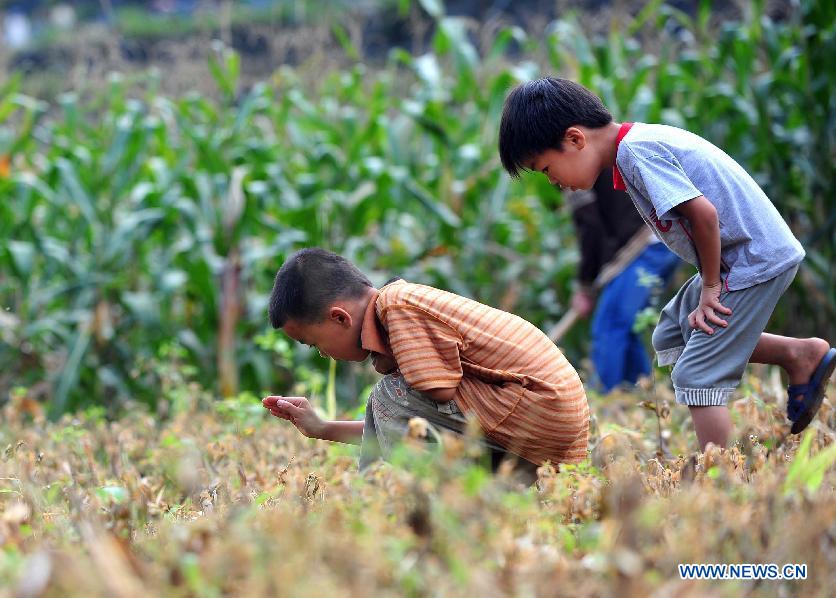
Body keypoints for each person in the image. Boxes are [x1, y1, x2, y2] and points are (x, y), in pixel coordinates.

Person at [498, 77, 835, 450]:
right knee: (672, 332)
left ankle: (717, 476)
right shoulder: (630, 150)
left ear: (575, 139)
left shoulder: (636, 152)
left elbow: (704, 215)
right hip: (739, 257)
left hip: (753, 259)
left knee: (697, 374)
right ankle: (798, 353)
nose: (554, 182)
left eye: (546, 169)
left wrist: (710, 287)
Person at [261, 248, 590, 472]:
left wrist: (391, 370)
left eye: (313, 343)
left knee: (389, 395)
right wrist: (323, 428)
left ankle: (415, 503)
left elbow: (429, 399)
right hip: (543, 421)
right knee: (390, 401)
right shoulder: (400, 308)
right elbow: (415, 424)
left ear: (340, 318)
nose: (322, 353)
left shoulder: (397, 307)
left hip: (544, 413)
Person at [566, 168, 680, 392]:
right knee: (626, 328)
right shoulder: (585, 152)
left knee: (610, 325)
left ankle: (601, 404)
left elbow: (590, 228)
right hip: (659, 244)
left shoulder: (569, 168)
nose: (552, 178)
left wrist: (585, 286)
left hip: (643, 246)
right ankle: (642, 394)